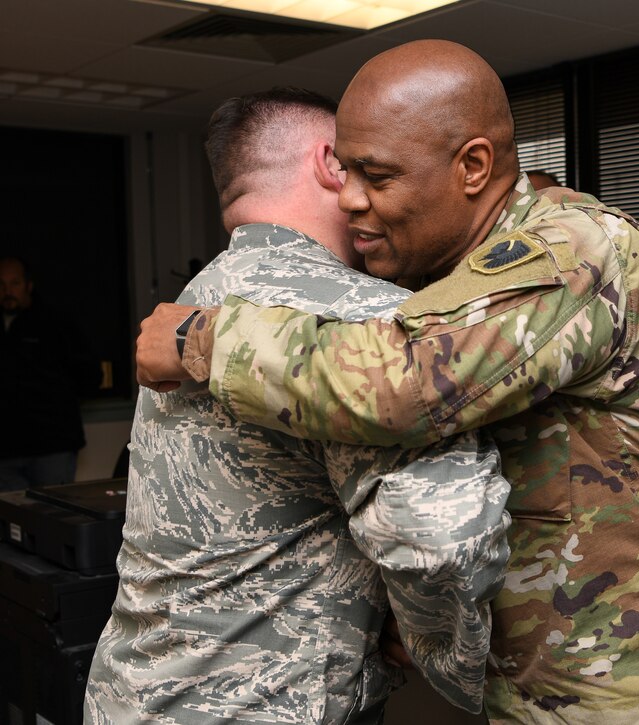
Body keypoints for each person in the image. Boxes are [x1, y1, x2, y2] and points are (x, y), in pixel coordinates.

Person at [133, 40, 639, 724]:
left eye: (378, 175)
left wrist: (203, 338)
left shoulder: (572, 248)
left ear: (473, 166)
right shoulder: (445, 280)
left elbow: (403, 384)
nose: (351, 200)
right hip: (547, 691)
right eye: (346, 173)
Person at [85, 88, 511, 724]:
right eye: (362, 164)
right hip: (265, 705)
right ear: (329, 164)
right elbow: (440, 536)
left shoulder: (193, 300)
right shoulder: (361, 317)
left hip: (135, 694)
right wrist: (447, 656)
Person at [0, 256, 101, 490]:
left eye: (14, 284)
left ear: (28, 285)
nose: (7, 291)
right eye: (2, 285)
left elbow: (90, 376)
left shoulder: (56, 324)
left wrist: (57, 401)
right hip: (5, 451)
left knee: (53, 517)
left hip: (52, 446)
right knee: (9, 523)